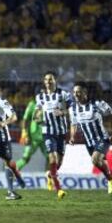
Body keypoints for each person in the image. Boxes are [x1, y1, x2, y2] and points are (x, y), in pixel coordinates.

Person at [69, 84, 112, 205]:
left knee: (95, 160)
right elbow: (74, 124)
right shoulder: (72, 108)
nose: (75, 94)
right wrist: (72, 136)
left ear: (85, 92)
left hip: (102, 139)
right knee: (103, 167)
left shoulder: (97, 103)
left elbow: (111, 115)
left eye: (78, 92)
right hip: (88, 143)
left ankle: (111, 182)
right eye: (74, 92)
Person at [33, 71, 70, 199]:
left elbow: (72, 109)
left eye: (50, 79)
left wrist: (62, 112)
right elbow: (36, 114)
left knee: (58, 163)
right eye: (46, 80)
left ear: (55, 80)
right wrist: (37, 118)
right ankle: (59, 189)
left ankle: (49, 175)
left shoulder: (63, 94)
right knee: (53, 159)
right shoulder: (40, 97)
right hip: (48, 132)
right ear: (44, 82)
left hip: (61, 132)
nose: (48, 82)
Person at [16, 88, 48, 171]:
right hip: (33, 137)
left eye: (44, 94)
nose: (42, 96)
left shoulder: (49, 105)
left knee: (50, 158)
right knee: (26, 158)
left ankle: (49, 180)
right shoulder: (32, 104)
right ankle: (12, 171)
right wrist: (25, 134)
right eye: (40, 94)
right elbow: (25, 120)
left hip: (46, 136)